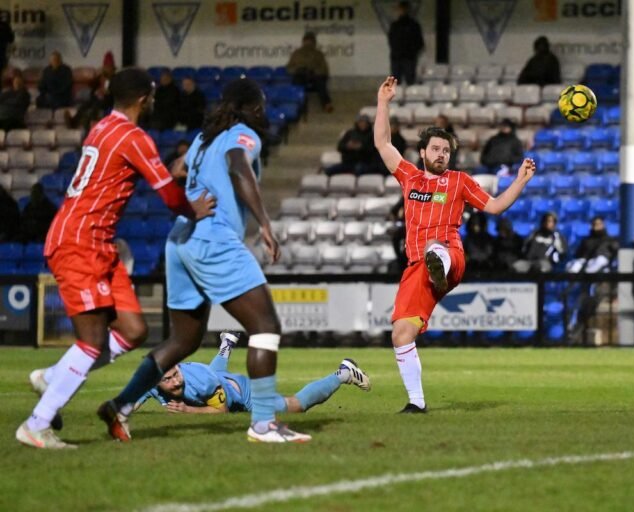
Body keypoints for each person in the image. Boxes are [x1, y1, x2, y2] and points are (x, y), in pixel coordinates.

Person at [98, 78, 323, 444]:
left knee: (183, 341)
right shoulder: (243, 135)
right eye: (260, 106)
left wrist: (192, 193)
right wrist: (264, 223)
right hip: (214, 239)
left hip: (180, 240)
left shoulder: (203, 138)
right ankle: (264, 424)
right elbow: (238, 166)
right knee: (265, 328)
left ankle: (121, 405)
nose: (263, 112)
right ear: (250, 108)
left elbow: (174, 169)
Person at [16, 68, 216, 450]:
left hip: (97, 242)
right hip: (81, 241)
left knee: (133, 330)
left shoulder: (102, 126)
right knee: (91, 342)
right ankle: (36, 425)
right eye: (153, 95)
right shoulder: (133, 136)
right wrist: (195, 209)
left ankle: (53, 376)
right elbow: (169, 197)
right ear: (144, 97)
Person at [374, 76, 535, 413]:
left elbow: (494, 206)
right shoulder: (409, 177)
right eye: (436, 149)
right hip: (417, 267)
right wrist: (384, 103)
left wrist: (519, 181)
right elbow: (383, 144)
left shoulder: (459, 181)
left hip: (451, 254)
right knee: (401, 334)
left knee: (436, 246)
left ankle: (441, 269)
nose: (442, 154)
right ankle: (416, 403)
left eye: (446, 150)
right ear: (422, 152)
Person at [134, 332, 370, 415]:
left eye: (176, 374)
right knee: (214, 374)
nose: (175, 380)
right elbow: (131, 402)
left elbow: (221, 410)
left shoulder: (199, 381)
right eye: (168, 379)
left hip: (242, 392)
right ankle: (227, 342)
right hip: (216, 379)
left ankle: (343, 372)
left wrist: (188, 410)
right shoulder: (151, 380)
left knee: (295, 406)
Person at [286, 32, 333, 112]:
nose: (308, 43)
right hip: (300, 75)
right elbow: (289, 68)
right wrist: (297, 70)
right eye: (307, 41)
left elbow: (324, 69)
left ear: (314, 43)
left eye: (310, 41)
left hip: (315, 77)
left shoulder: (319, 54)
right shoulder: (296, 53)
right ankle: (298, 105)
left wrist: (314, 72)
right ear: (303, 42)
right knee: (297, 81)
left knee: (321, 83)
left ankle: (326, 104)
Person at [387, 1, 424, 86]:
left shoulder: (414, 25)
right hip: (398, 59)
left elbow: (420, 43)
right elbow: (391, 41)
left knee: (410, 82)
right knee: (396, 84)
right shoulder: (395, 25)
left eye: (403, 9)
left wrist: (411, 52)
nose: (402, 11)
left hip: (408, 58)